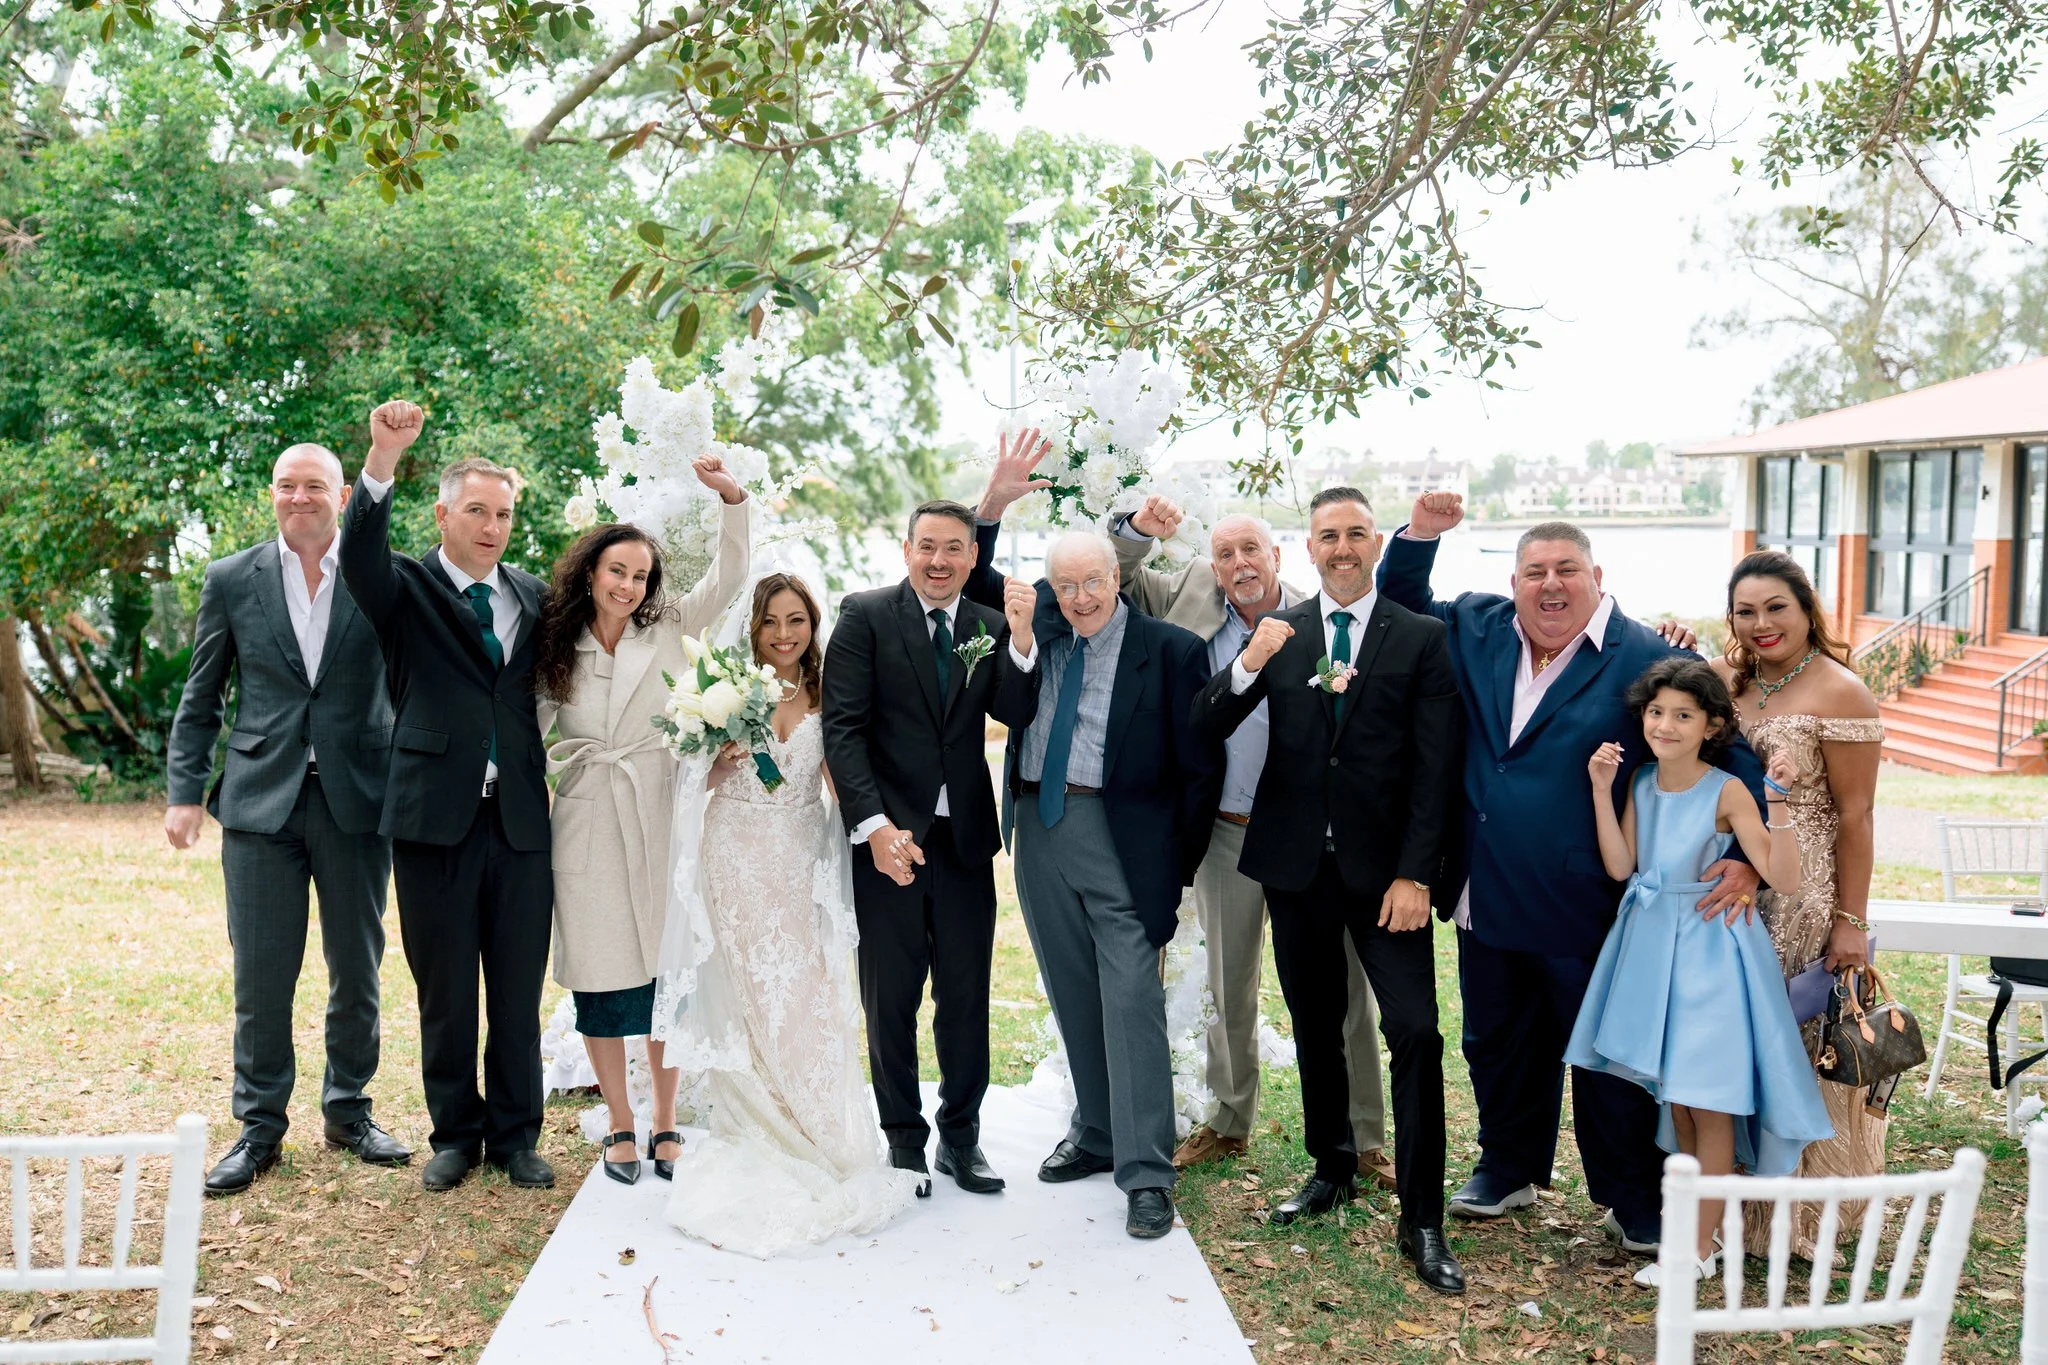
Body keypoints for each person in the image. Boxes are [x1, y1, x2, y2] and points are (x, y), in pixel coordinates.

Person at [969, 437, 1395, 1186]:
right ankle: (1228, 1120)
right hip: (1225, 830)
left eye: (1251, 549)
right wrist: (1125, 525)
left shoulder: (1319, 619)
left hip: (1309, 835)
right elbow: (1109, 580)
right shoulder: (1182, 600)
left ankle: (1363, 1137)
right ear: (1210, 563)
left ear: (1278, 554)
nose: (1239, 564)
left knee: (1341, 992)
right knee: (1228, 989)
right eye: (1225, 552)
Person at [1378, 491, 1767, 1256]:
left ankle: (1631, 1196)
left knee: (1608, 1058)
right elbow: (1398, 601)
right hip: (1485, 885)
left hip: (1592, 900)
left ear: (1597, 576)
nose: (1550, 584)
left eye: (1566, 569)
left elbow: (1736, 758)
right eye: (1534, 571)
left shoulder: (1651, 656)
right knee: (1495, 1038)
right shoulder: (1476, 626)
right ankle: (1507, 1165)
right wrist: (1420, 534)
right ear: (1514, 581)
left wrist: (1744, 858)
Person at [1193, 486, 1465, 1293]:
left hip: (1389, 881)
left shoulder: (1421, 636)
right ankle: (1331, 1166)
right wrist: (1249, 661)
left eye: (1355, 533)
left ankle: (1422, 1217)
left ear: (1375, 542)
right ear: (1306, 549)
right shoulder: (1282, 635)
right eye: (1327, 536)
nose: (1342, 548)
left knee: (1415, 1031)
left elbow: (1436, 768)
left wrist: (1416, 873)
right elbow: (1204, 722)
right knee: (1315, 1022)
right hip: (1297, 869)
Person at [657, 572, 929, 1255]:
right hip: (733, 855)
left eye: (796, 620)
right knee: (747, 991)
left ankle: (818, 1125)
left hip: (800, 857)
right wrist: (719, 764)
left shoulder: (829, 690)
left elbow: (841, 776)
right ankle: (756, 1119)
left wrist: (879, 831)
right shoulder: (726, 689)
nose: (784, 634)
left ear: (813, 625)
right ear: (752, 628)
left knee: (804, 991)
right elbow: (691, 778)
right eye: (771, 621)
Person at [165, 441, 409, 1195]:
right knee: (262, 975)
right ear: (272, 494)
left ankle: (349, 1111)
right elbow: (203, 693)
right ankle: (259, 1128)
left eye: (314, 486)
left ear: (343, 498)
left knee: (356, 969)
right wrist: (183, 791)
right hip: (258, 803)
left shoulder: (380, 576)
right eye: (285, 485)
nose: (298, 497)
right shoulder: (230, 578)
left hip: (357, 799)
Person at [967, 531, 1220, 1240]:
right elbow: (974, 583)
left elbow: (1201, 769)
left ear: (1117, 576)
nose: (1080, 598)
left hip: (1123, 838)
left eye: (1092, 582)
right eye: (1066, 585)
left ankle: (1147, 1173)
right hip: (1038, 823)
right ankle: (1099, 1131)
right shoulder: (1041, 629)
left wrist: (1176, 865)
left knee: (1132, 997)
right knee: (1072, 989)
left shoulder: (1170, 650)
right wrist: (993, 509)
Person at [339, 401, 555, 1194]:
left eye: (503, 514)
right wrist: (382, 456)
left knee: (517, 990)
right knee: (447, 990)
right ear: (443, 514)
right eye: (477, 511)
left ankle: (517, 1137)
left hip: (522, 821)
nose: (493, 527)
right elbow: (358, 551)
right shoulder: (403, 588)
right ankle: (456, 1135)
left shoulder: (535, 597)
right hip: (433, 819)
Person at [1567, 658, 1829, 1285]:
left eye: (1683, 715)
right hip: (1651, 947)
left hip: (1712, 955)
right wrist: (1602, 790)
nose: (1666, 725)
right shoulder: (1641, 780)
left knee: (1709, 1102)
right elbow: (1622, 865)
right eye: (1656, 712)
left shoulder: (1727, 790)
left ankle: (1695, 1247)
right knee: (1678, 1104)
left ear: (1711, 726)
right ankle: (1700, 1239)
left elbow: (1784, 877)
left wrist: (1778, 801)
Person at [529, 460, 750, 1185]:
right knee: (600, 979)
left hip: (657, 810)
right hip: (587, 815)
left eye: (640, 576)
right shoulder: (555, 642)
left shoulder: (669, 626)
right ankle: (620, 1122)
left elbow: (729, 575)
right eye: (617, 571)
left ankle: (665, 1119)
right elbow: (526, 731)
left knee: (666, 977)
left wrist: (732, 499)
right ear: (591, 572)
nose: (628, 586)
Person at [819, 501, 1040, 1196]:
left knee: (966, 995)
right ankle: (904, 1140)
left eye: (953, 549)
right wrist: (875, 827)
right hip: (890, 841)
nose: (939, 560)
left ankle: (961, 1138)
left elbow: (1016, 711)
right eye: (927, 546)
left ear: (973, 557)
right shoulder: (865, 615)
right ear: (907, 548)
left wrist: (1023, 637)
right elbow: (842, 730)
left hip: (965, 839)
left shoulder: (989, 626)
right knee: (890, 996)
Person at [1710, 550, 1886, 1259]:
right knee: (1733, 1045)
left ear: (1807, 608)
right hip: (1731, 892)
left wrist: (1850, 922)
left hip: (1803, 898)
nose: (1762, 623)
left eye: (1776, 607)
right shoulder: (1727, 683)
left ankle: (1801, 1216)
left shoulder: (1842, 692)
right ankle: (1731, 1209)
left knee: (1801, 1045)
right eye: (1745, 611)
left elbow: (1857, 816)